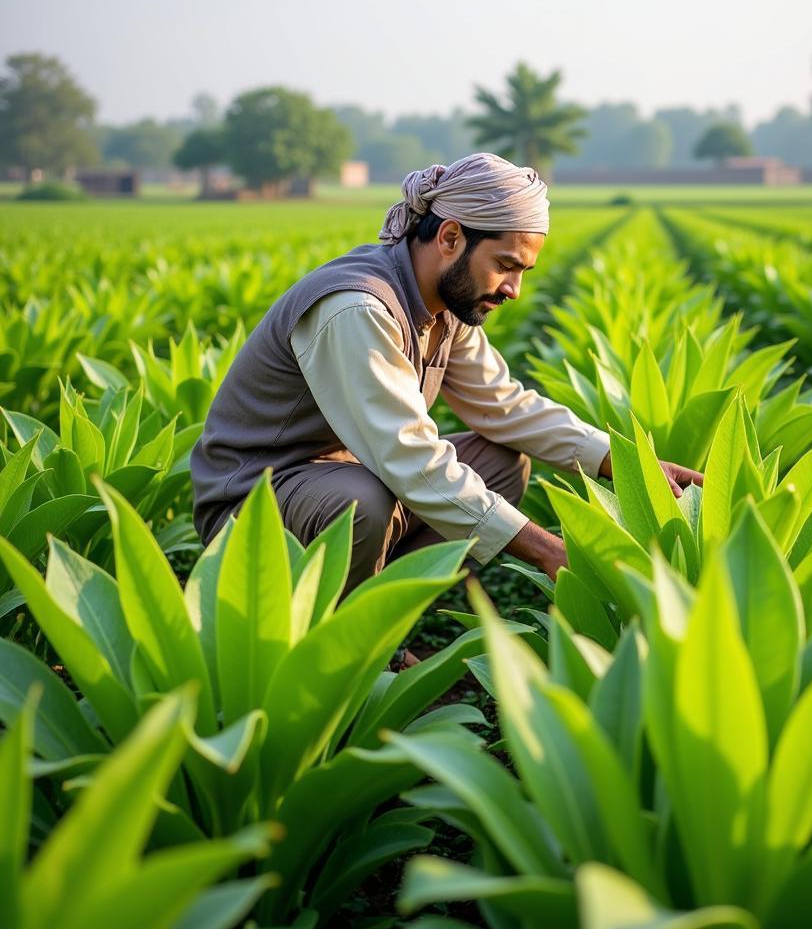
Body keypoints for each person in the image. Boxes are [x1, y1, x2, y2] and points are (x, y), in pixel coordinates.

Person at [190, 152, 702, 615]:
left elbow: (505, 406)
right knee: (362, 503)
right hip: (252, 502)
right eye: (505, 266)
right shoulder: (357, 307)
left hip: (337, 479)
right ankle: (347, 644)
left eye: (523, 272)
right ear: (451, 237)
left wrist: (628, 464)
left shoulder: (447, 306)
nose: (514, 290)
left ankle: (383, 613)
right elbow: (409, 458)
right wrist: (549, 550)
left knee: (500, 462)